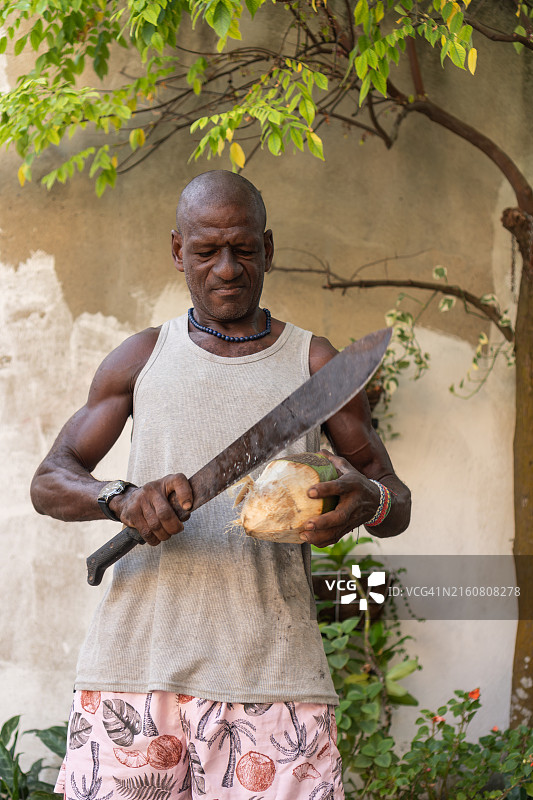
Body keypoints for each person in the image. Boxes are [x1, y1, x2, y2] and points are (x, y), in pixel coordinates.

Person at [31, 170, 410, 800]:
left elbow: (390, 497)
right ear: (179, 251)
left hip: (274, 678)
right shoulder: (142, 358)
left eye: (243, 249)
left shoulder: (314, 364)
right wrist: (120, 498)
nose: (227, 269)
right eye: (206, 251)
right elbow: (50, 480)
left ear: (269, 248)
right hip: (135, 672)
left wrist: (372, 501)